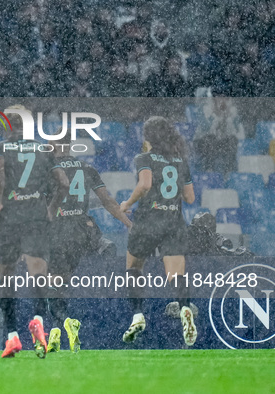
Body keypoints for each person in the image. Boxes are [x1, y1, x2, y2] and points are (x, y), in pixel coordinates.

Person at [0, 105, 70, 359]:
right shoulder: (42, 149)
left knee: (6, 275)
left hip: (11, 216)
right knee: (38, 272)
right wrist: (51, 208)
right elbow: (64, 183)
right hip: (36, 216)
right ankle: (37, 318)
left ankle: (12, 335)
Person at [46, 134, 132, 353]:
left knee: (53, 282)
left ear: (56, 145)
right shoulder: (87, 168)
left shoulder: (49, 168)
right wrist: (130, 224)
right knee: (62, 281)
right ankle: (58, 329)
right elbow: (108, 202)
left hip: (58, 230)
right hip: (82, 231)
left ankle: (62, 322)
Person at [119, 116, 197, 347]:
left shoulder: (144, 157)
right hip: (173, 221)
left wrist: (127, 204)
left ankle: (138, 316)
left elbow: (145, 184)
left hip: (148, 221)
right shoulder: (180, 161)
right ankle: (185, 309)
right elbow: (190, 198)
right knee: (175, 275)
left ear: (147, 137)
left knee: (133, 267)